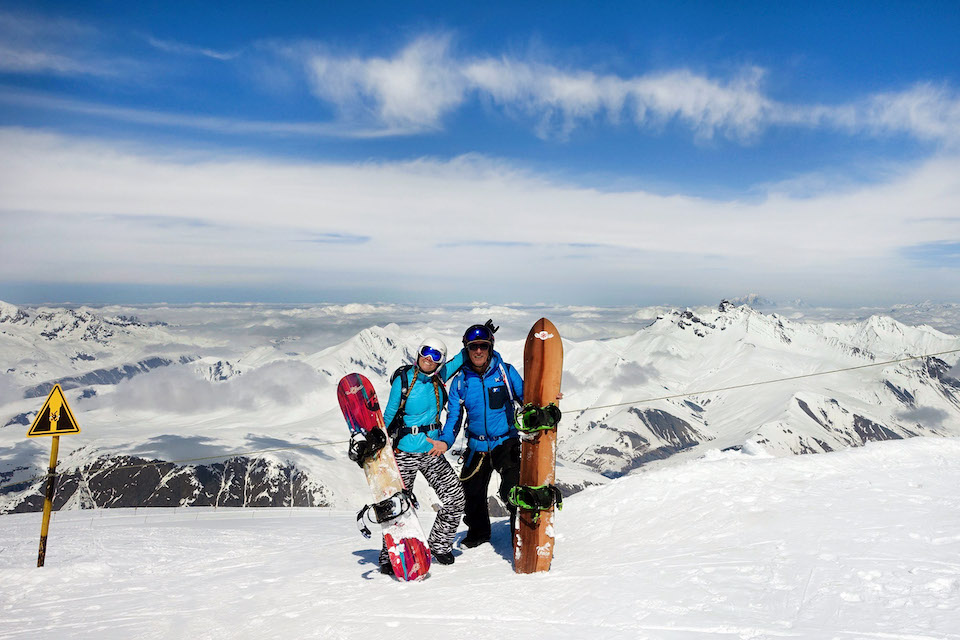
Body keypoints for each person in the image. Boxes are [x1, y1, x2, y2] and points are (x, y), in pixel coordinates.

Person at [376, 336, 466, 574]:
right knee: (396, 505)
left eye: (435, 355)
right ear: (418, 353)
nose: (428, 358)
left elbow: (461, 359)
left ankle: (439, 545)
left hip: (431, 451)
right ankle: (390, 556)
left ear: (440, 361)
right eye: (425, 351)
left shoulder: (439, 378)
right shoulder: (404, 380)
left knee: (455, 498)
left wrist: (478, 336)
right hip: (404, 451)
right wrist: (377, 440)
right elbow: (389, 414)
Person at [439, 321, 524, 548]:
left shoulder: (505, 372)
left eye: (483, 346)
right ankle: (478, 533)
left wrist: (548, 398)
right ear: (466, 349)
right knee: (470, 492)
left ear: (490, 347)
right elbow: (454, 418)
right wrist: (445, 441)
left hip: (506, 442)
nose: (478, 351)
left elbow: (527, 397)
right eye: (473, 346)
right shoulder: (461, 381)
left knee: (513, 489)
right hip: (477, 446)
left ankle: (520, 533)